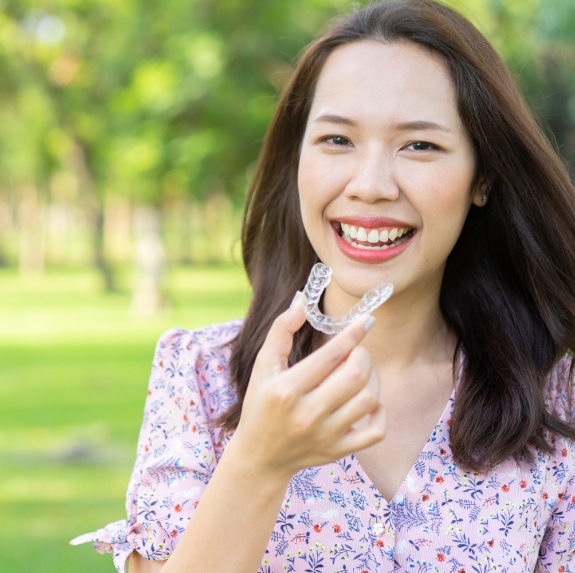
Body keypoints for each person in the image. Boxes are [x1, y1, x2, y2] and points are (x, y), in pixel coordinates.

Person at [71, 1, 575, 571]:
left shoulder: (557, 401)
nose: (371, 186)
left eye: (420, 145)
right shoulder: (199, 378)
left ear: (482, 177)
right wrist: (258, 462)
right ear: (297, 161)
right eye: (337, 140)